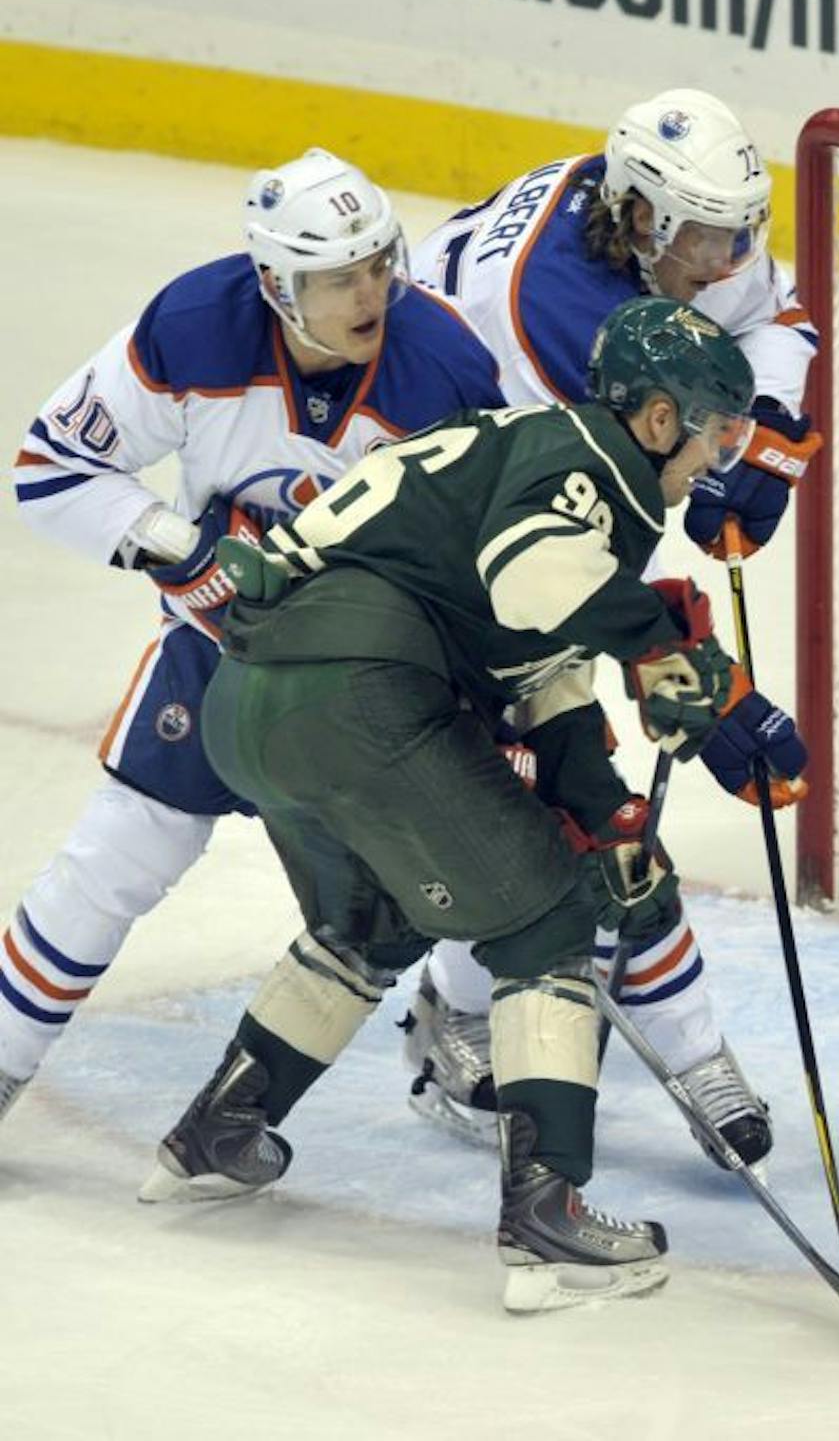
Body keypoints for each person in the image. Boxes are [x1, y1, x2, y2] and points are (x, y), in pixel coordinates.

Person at [139, 297, 809, 1313]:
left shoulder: (525, 448)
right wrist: (678, 653)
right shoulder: (599, 472)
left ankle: (217, 1134)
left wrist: (607, 816)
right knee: (547, 919)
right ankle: (547, 1218)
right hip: (358, 688)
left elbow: (539, 670)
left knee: (371, 920)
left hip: (254, 701)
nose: (716, 458)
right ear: (658, 418)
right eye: (713, 431)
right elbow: (531, 580)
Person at [0, 149, 504, 1126]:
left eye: (379, 263)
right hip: (221, 651)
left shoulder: (443, 366)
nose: (372, 293)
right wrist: (181, 551)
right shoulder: (195, 328)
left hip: (377, 677)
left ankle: (462, 1020)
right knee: (119, 853)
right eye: (340, 277)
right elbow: (50, 467)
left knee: (464, 846)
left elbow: (487, 552)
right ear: (278, 283)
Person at [395, 88, 822, 1167]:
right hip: (437, 532)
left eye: (738, 235)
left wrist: (763, 436)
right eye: (706, 241)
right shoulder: (551, 318)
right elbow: (573, 543)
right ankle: (452, 1010)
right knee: (518, 798)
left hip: (515, 511)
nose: (725, 263)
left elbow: (778, 319)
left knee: (585, 809)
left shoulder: (664, 233)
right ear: (639, 219)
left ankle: (672, 1041)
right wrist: (700, 685)